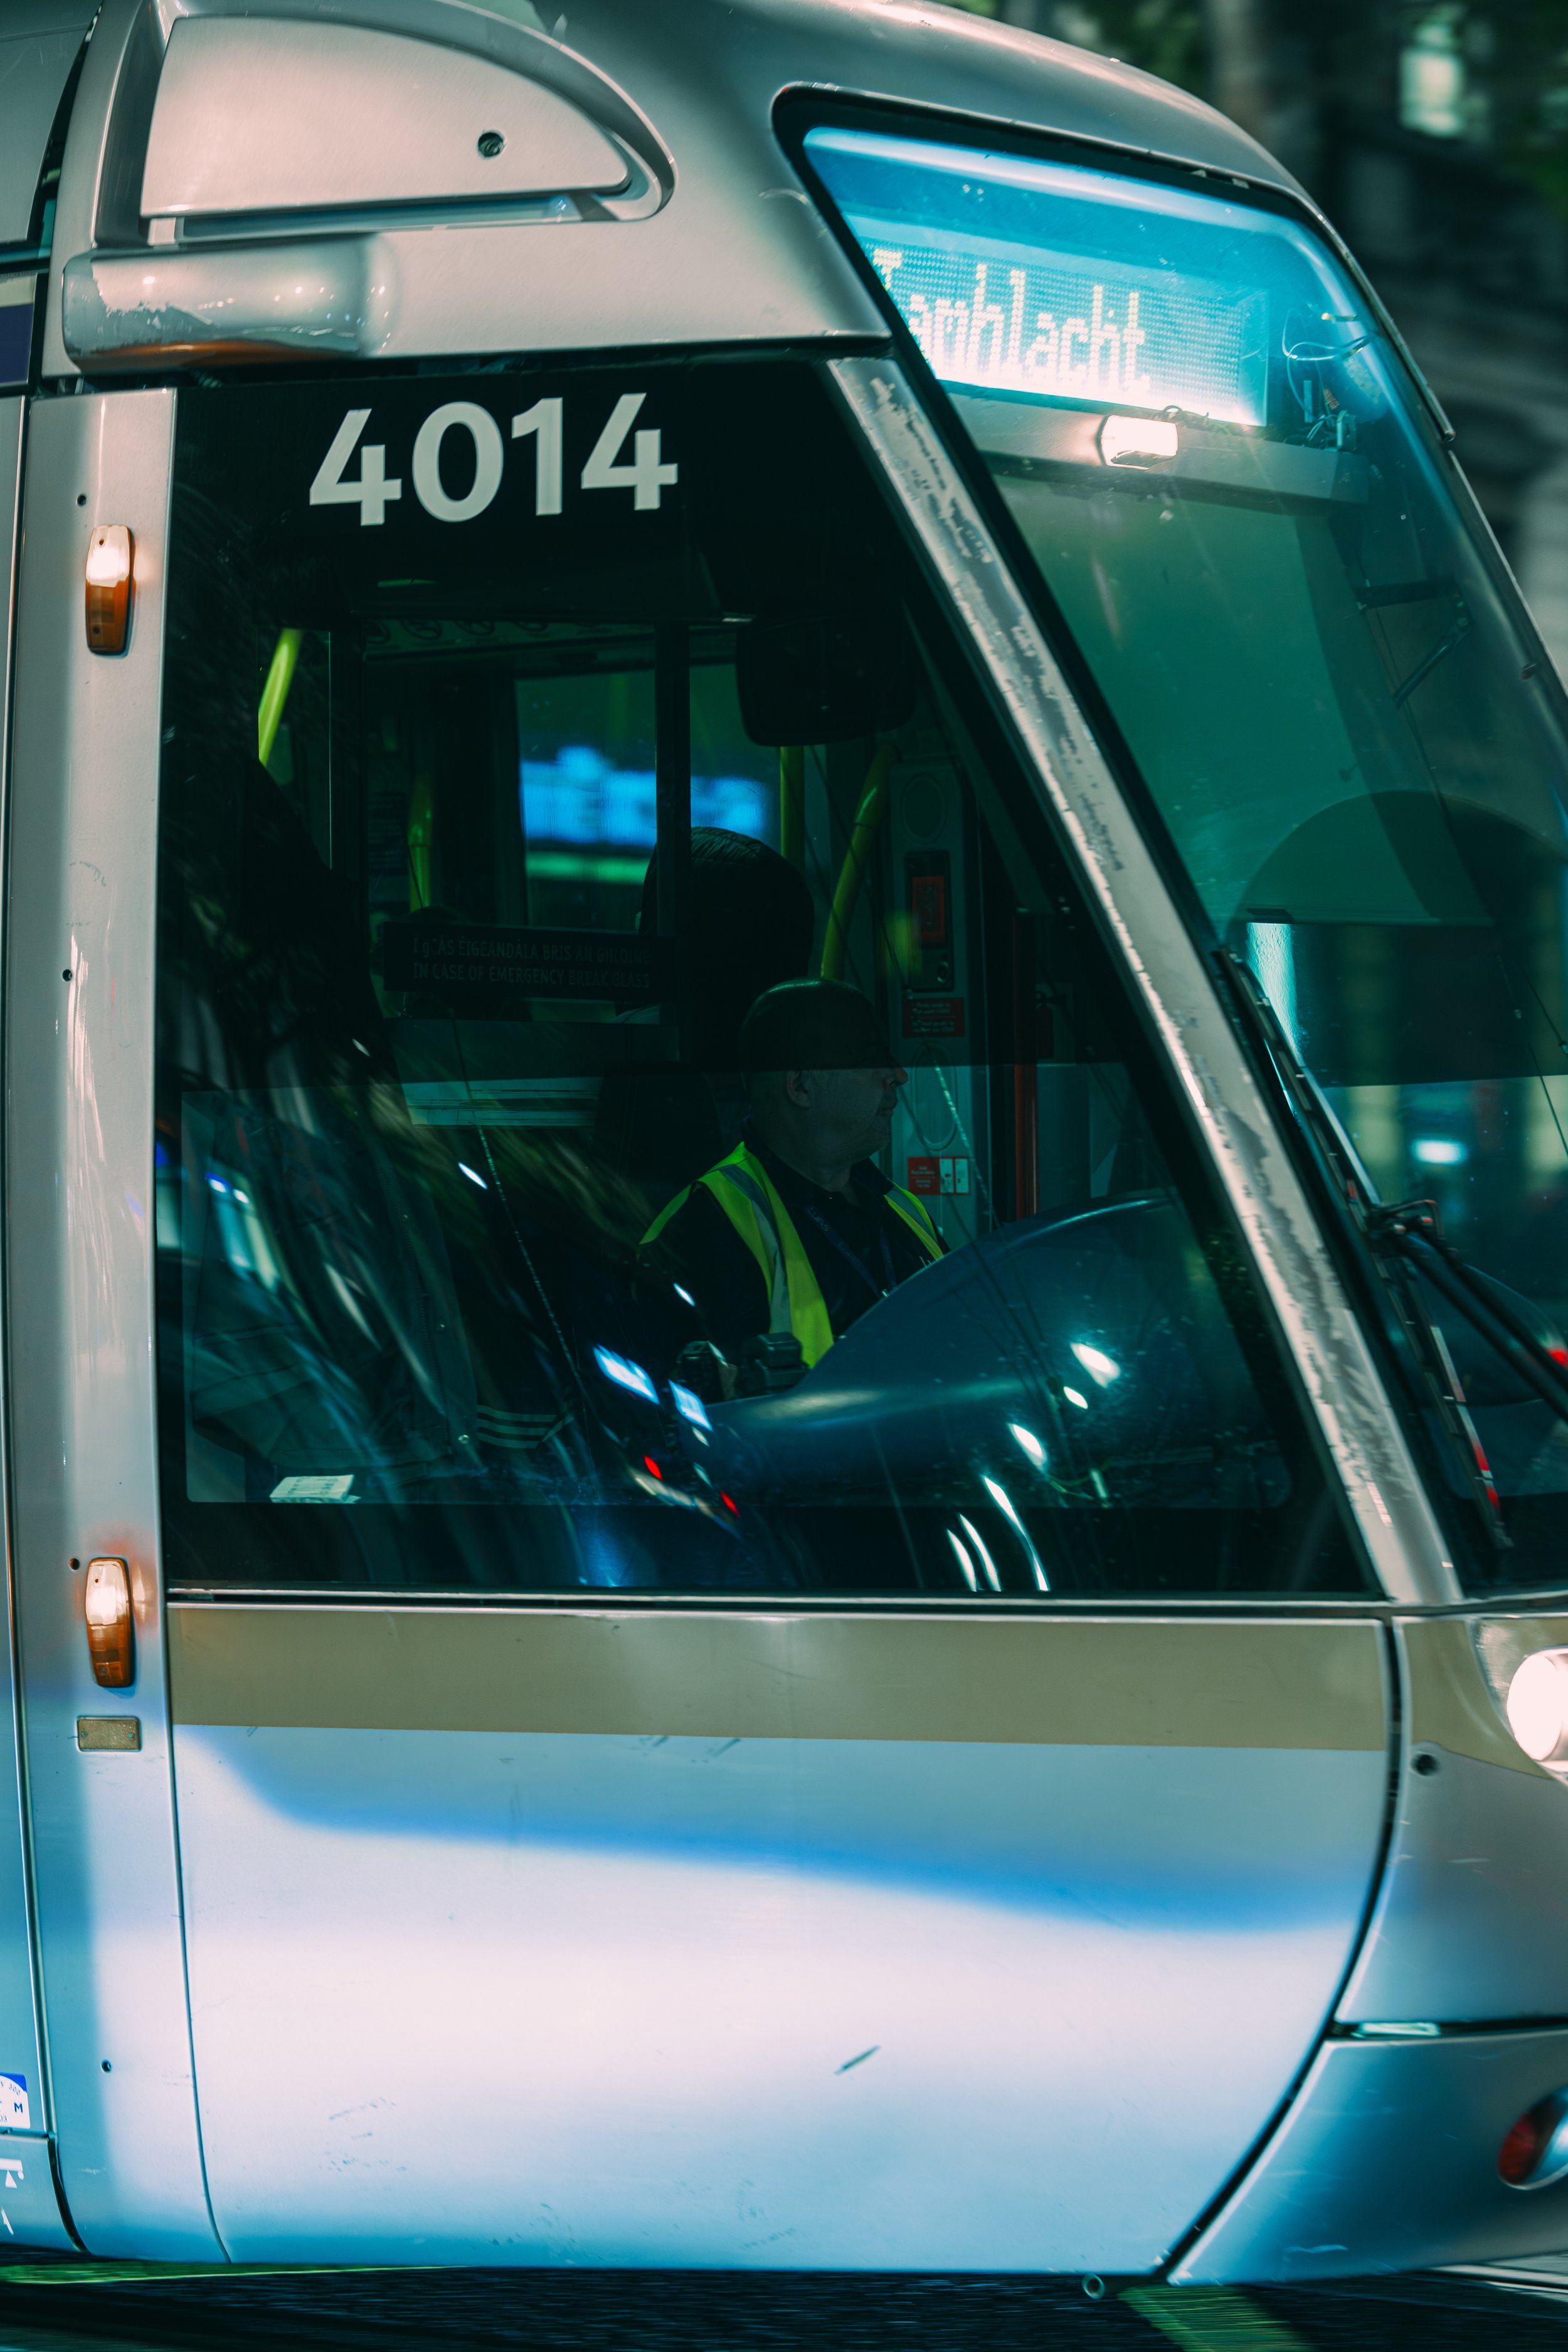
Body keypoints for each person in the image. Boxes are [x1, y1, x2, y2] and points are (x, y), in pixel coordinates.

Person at [643, 979, 943, 1384]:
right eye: (872, 1058)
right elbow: (684, 1417)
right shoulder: (701, 1226)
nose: (899, 1075)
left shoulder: (904, 1209)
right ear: (801, 1086)